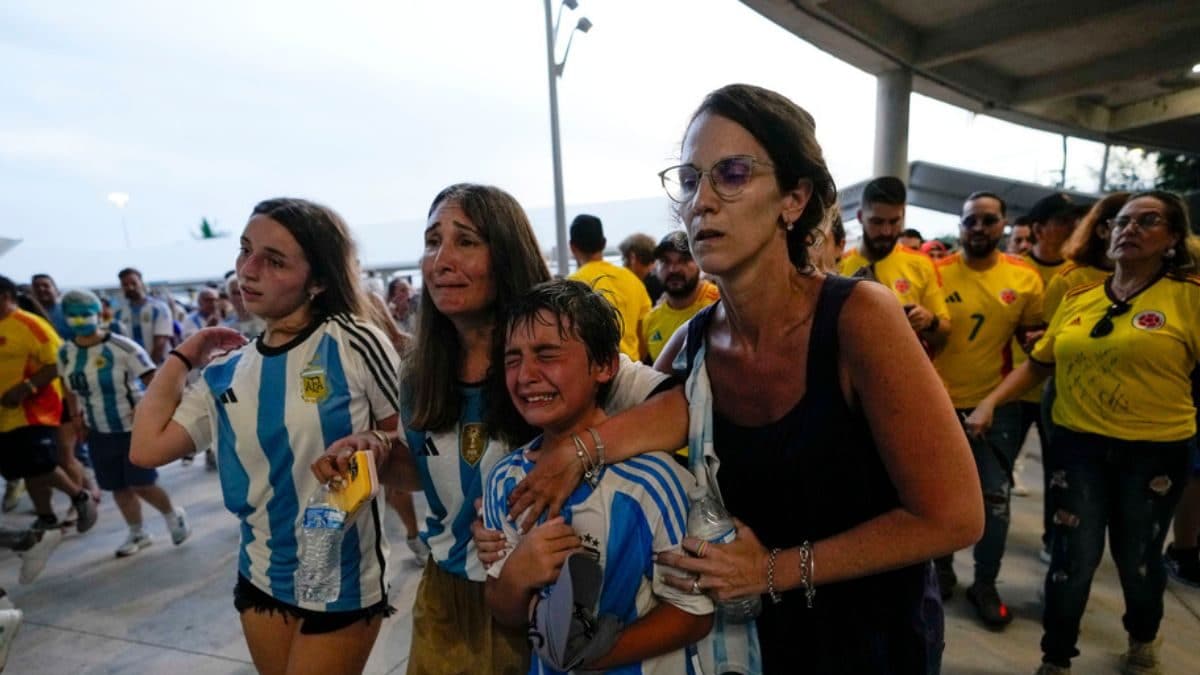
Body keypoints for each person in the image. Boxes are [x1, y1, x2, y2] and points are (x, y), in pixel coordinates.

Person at [508, 84, 981, 673]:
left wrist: (770, 571)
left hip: (870, 638)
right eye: (690, 179)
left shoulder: (859, 319)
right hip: (749, 647)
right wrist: (550, 479)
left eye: (731, 174)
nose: (701, 201)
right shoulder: (694, 343)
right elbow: (646, 407)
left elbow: (954, 516)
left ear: (794, 197)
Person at [313, 184, 683, 675]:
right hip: (445, 598)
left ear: (506, 252)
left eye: (466, 241)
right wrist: (380, 452)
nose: (441, 260)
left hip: (544, 596)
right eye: (432, 242)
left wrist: (578, 452)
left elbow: (682, 410)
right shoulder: (419, 369)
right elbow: (429, 472)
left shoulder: (559, 352)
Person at [130, 198, 400, 675]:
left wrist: (377, 444)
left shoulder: (352, 340)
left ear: (318, 281)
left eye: (273, 261)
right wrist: (183, 357)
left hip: (341, 577)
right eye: (245, 251)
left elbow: (410, 440)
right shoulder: (226, 370)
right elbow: (146, 448)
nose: (247, 271)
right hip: (259, 574)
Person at [964, 190, 1199, 675]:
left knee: (1137, 560)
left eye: (1147, 221)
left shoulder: (1190, 298)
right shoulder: (1079, 297)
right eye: (1121, 221)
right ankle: (1055, 659)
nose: (1128, 229)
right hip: (1078, 446)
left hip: (1155, 452)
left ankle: (1142, 637)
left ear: (1174, 238)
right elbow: (1038, 365)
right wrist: (990, 402)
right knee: (1073, 559)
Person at [484, 279, 713, 673]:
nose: (525, 374)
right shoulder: (506, 481)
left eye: (547, 354)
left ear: (605, 365)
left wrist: (592, 655)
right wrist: (518, 573)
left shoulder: (652, 481)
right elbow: (503, 610)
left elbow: (695, 613)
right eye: (512, 358)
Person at [929, 191, 1044, 621]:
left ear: (1004, 225)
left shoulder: (1025, 278)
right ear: (960, 225)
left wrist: (993, 402)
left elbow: (1035, 356)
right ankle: (939, 570)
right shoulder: (935, 273)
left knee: (995, 500)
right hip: (935, 405)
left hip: (994, 409)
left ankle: (985, 583)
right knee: (936, 496)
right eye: (971, 221)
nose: (979, 228)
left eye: (988, 221)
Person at [57, 290, 191, 557]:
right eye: (73, 315)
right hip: (98, 430)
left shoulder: (122, 347)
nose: (80, 320)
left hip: (133, 429)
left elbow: (155, 379)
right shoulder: (66, 353)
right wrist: (75, 418)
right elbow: (68, 387)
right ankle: (137, 532)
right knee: (118, 486)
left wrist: (150, 411)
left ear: (98, 313)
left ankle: (172, 514)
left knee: (142, 482)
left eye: (86, 314)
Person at [0, 275, 99, 534]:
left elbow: (59, 362)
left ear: (5, 297)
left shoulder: (31, 325)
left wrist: (26, 388)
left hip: (36, 411)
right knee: (23, 469)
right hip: (5, 416)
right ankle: (46, 517)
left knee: (43, 463)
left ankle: (80, 497)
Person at [839, 177, 952, 354]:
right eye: (877, 222)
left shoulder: (921, 264)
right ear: (861, 217)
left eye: (894, 222)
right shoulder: (838, 266)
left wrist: (929, 321)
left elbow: (944, 333)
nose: (886, 231)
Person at [568, 214, 653, 362]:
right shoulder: (632, 279)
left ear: (572, 247)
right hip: (632, 371)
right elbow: (645, 335)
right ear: (604, 243)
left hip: (596, 374)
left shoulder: (571, 286)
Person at [641, 231, 720, 364]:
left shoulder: (721, 303)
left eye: (684, 260)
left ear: (699, 262)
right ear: (655, 267)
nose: (673, 269)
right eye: (665, 261)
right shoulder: (650, 320)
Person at [113, 268, 173, 365]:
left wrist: (150, 369)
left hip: (160, 366)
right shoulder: (119, 313)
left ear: (141, 283)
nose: (130, 287)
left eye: (133, 283)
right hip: (133, 369)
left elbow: (160, 343)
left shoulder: (159, 308)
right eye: (125, 285)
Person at [619, 233, 666, 305]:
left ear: (632, 257)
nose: (623, 265)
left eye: (624, 259)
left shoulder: (642, 287)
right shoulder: (662, 280)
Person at [29, 274, 71, 340]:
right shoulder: (29, 313)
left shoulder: (68, 310)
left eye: (46, 286)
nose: (41, 289)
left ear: (56, 289)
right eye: (36, 286)